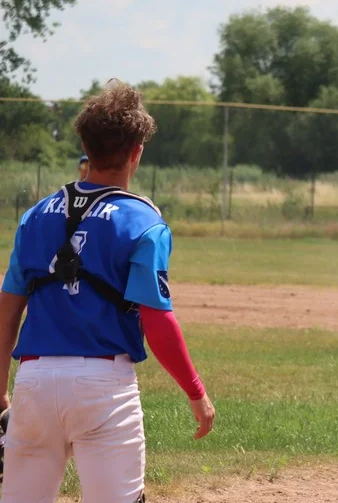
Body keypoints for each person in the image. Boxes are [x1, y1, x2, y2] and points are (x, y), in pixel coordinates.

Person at [0, 79, 216, 503]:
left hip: (34, 382)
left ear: (84, 142)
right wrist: (196, 392)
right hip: (103, 386)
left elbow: (6, 311)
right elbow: (157, 320)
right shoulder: (144, 222)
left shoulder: (36, 215)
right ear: (136, 152)